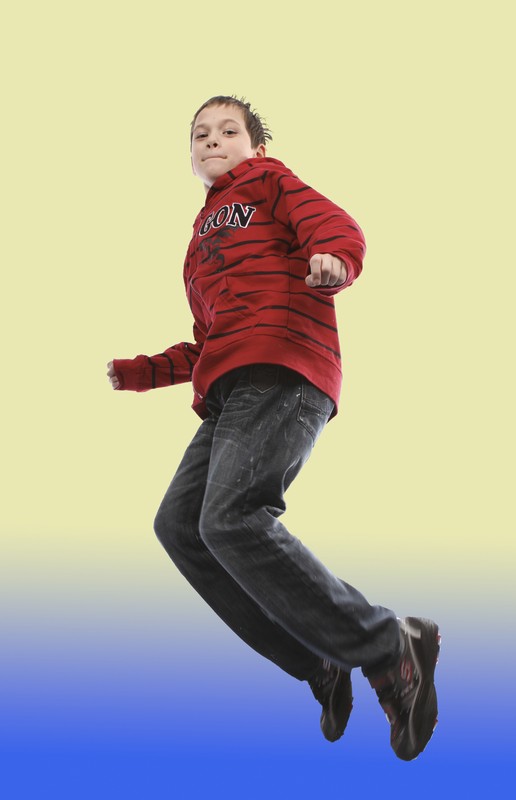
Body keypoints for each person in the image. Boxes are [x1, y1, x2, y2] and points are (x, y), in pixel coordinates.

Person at [107, 95, 440, 760]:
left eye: (227, 130)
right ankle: (319, 657)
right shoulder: (199, 247)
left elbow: (334, 224)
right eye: (199, 134)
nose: (211, 140)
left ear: (255, 147)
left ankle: (388, 647)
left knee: (231, 516)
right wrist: (141, 373)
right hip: (229, 389)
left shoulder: (268, 180)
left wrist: (334, 258)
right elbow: (208, 341)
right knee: (181, 526)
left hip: (284, 366)